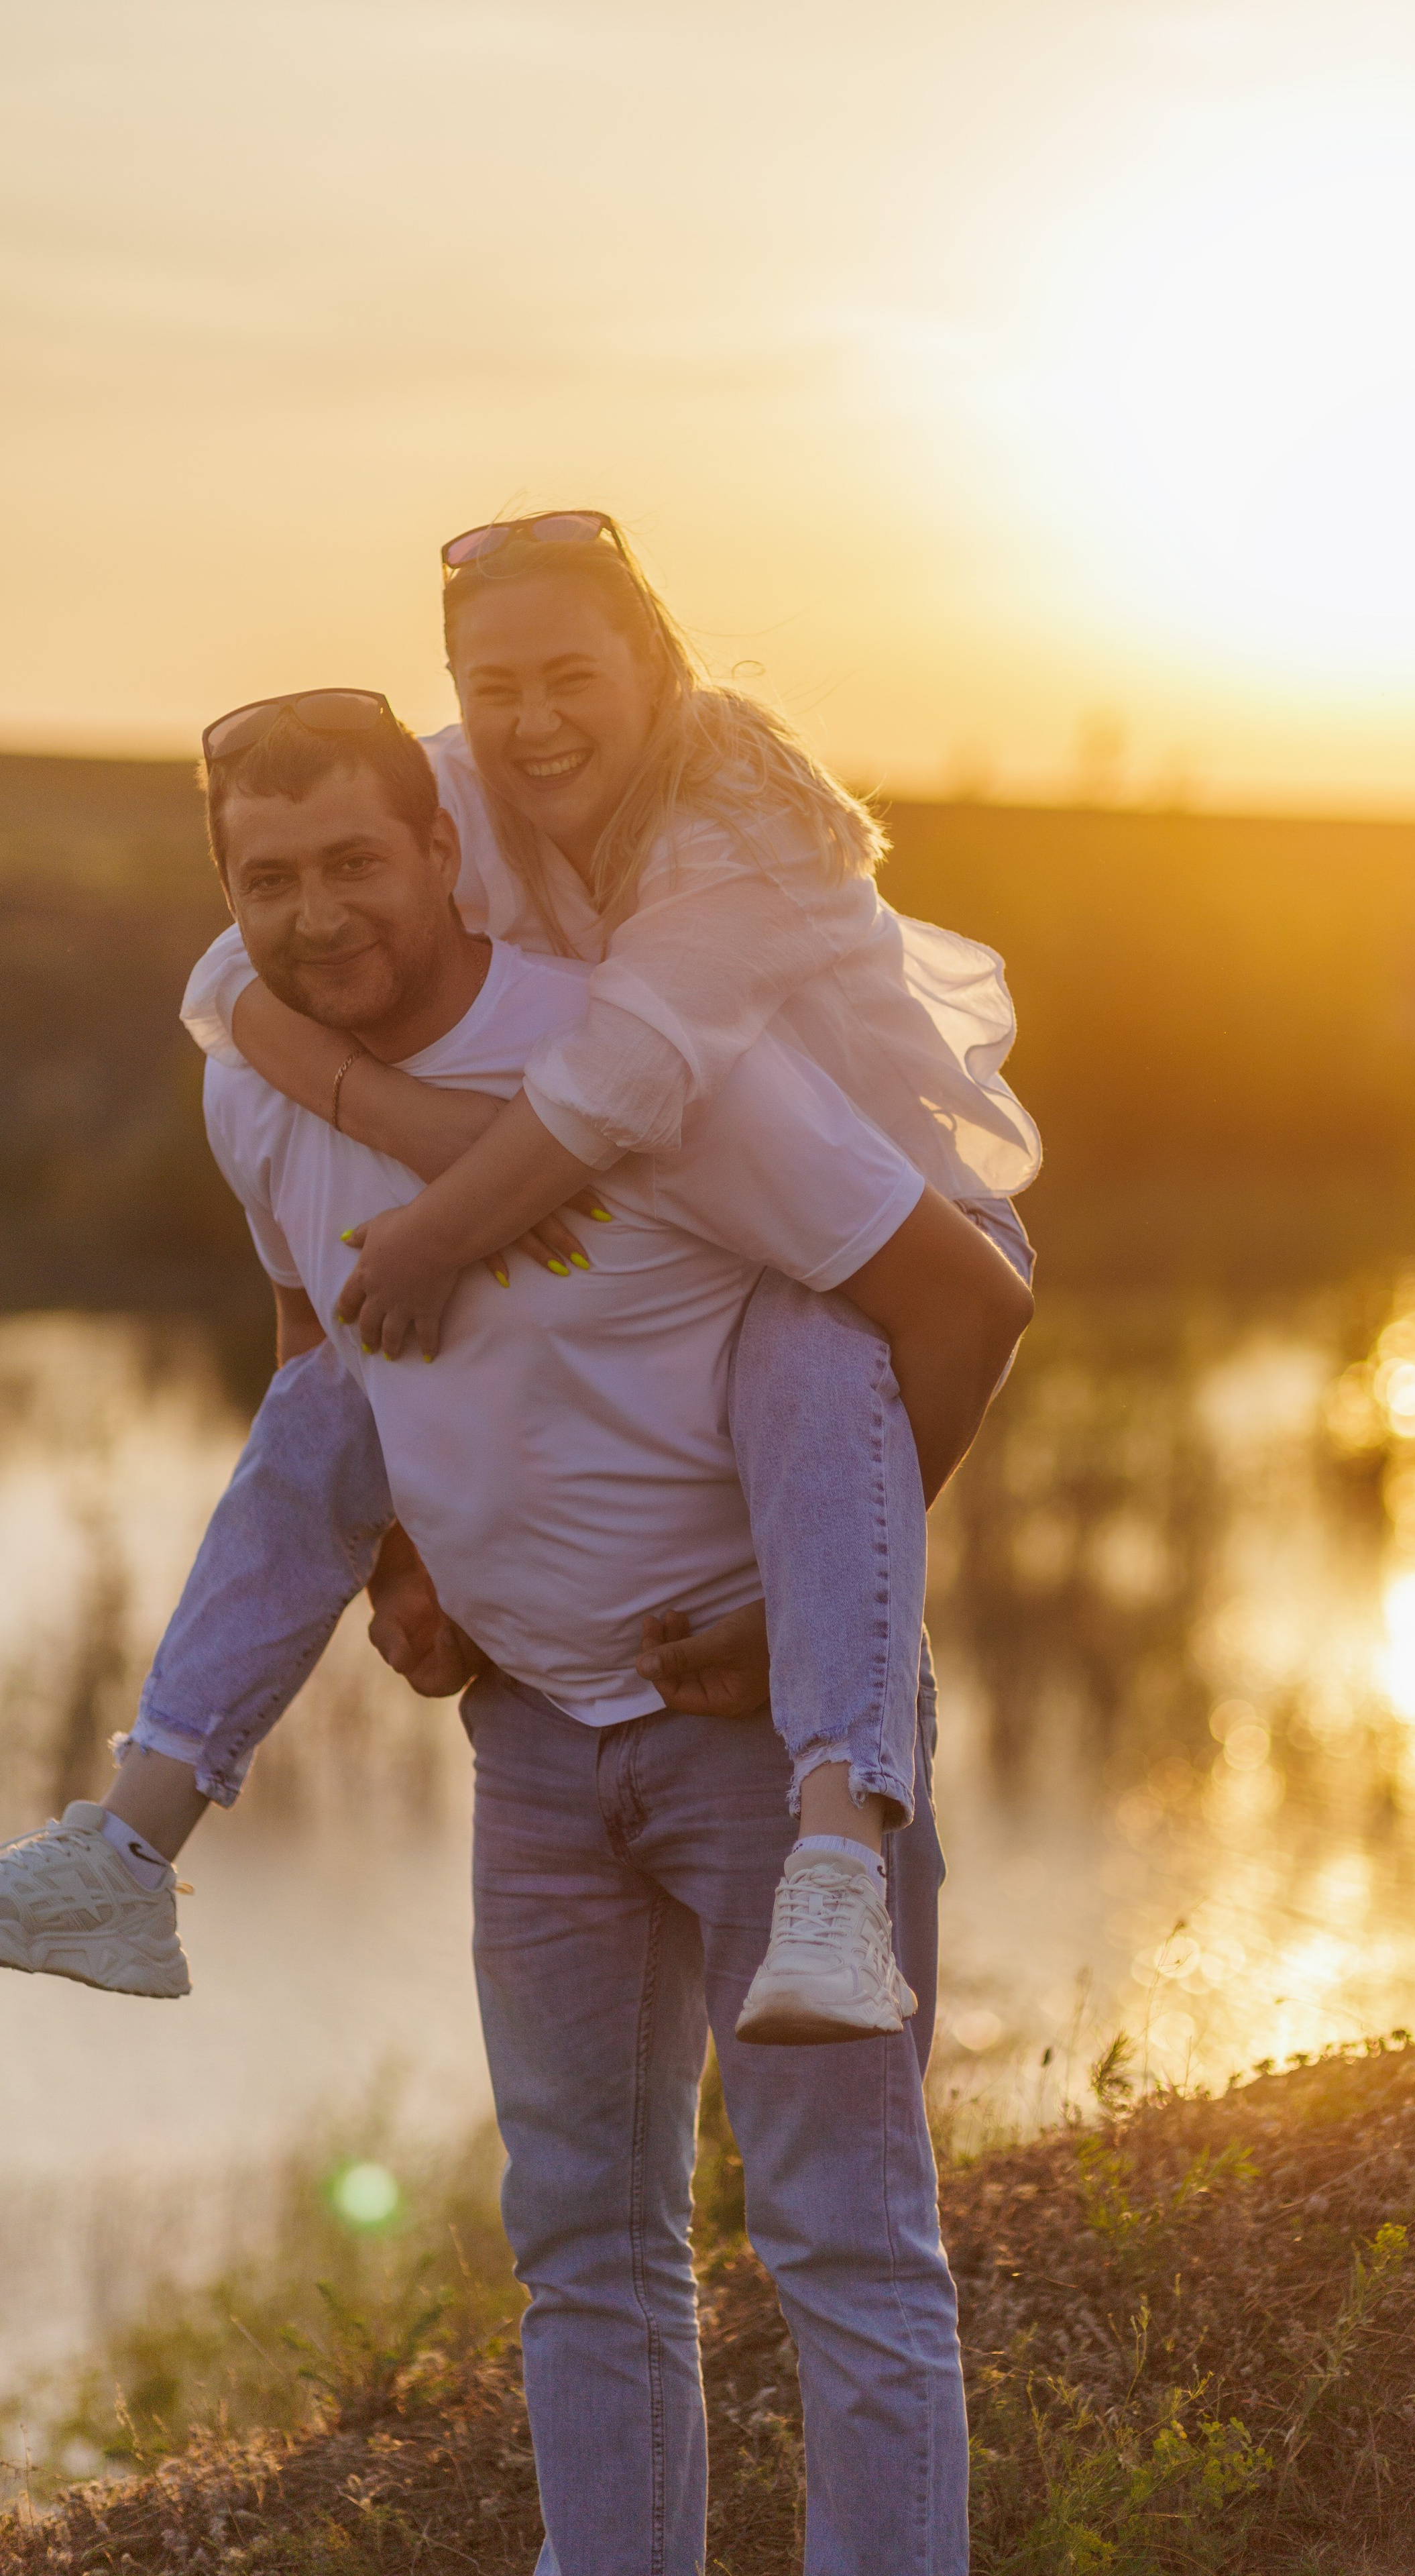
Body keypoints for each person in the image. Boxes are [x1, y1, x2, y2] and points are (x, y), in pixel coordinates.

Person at [1, 710, 1027, 2573]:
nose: (317, 916)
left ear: (445, 853)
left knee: (846, 2247)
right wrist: (405, 1566)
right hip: (539, 1752)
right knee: (583, 2254)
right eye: (269, 879)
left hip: (756, 1748)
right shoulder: (255, 1082)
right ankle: (128, 1839)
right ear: (228, 897)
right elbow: (333, 1360)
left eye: (355, 863)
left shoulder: (649, 1059)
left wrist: (824, 1613)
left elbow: (942, 1303)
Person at [168, 511, 1037, 2035]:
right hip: (682, 1212)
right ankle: (129, 1825)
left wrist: (438, 1221)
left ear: (657, 665)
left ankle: (838, 1844)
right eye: (490, 684)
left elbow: (613, 1098)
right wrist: (418, 1544)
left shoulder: (740, 842)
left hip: (888, 1229)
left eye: (572, 677)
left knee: (803, 1356)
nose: (530, 722)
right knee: (388, 1392)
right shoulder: (458, 779)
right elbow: (235, 970)